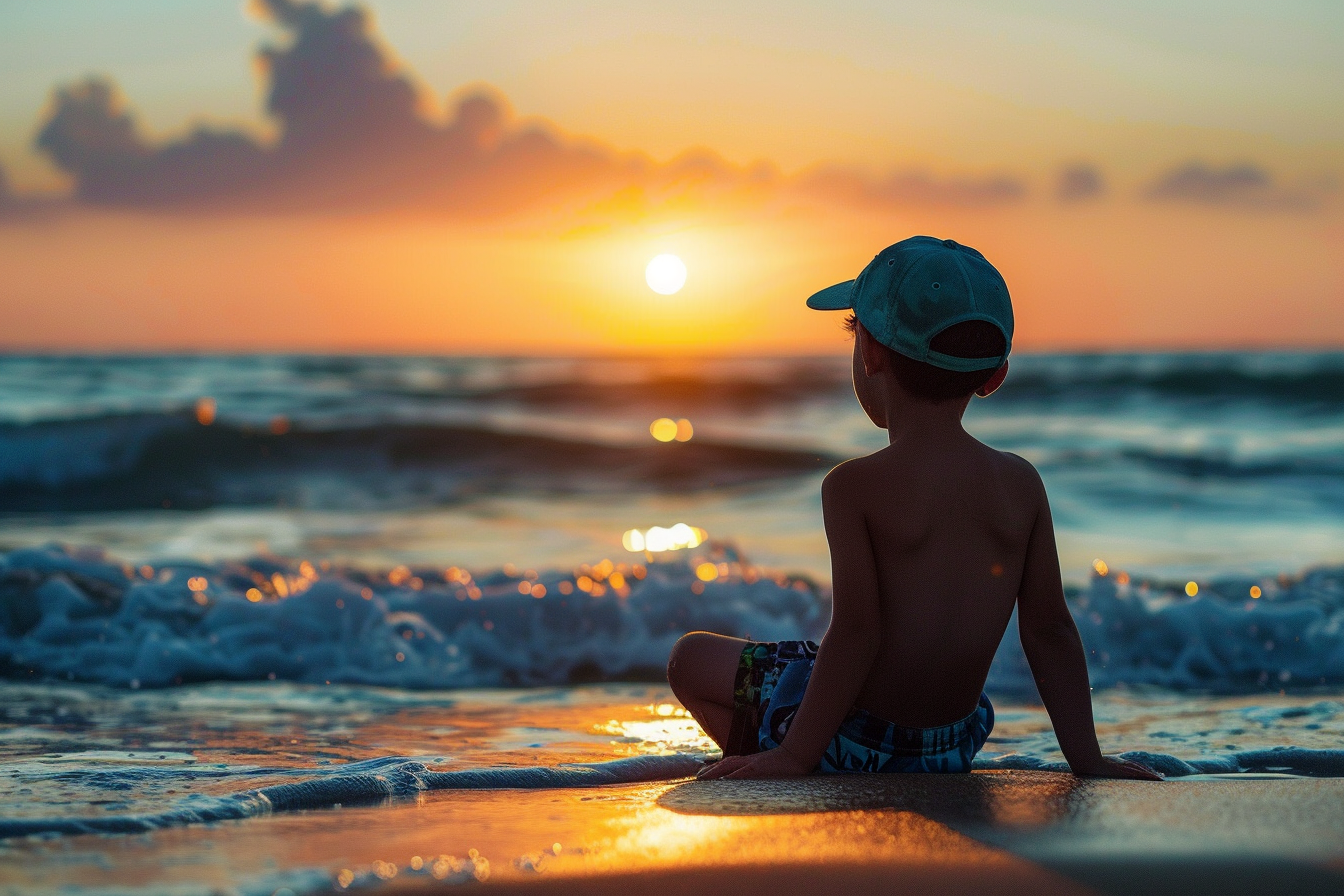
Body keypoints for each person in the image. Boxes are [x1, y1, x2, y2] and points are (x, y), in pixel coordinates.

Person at [668, 236, 1161, 781]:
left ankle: (787, 759)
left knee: (690, 658)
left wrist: (794, 756)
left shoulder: (852, 486)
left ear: (872, 353)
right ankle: (785, 755)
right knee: (798, 665)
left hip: (846, 741)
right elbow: (1049, 631)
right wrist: (1087, 760)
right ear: (993, 375)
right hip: (948, 748)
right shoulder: (1021, 483)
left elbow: (858, 634)